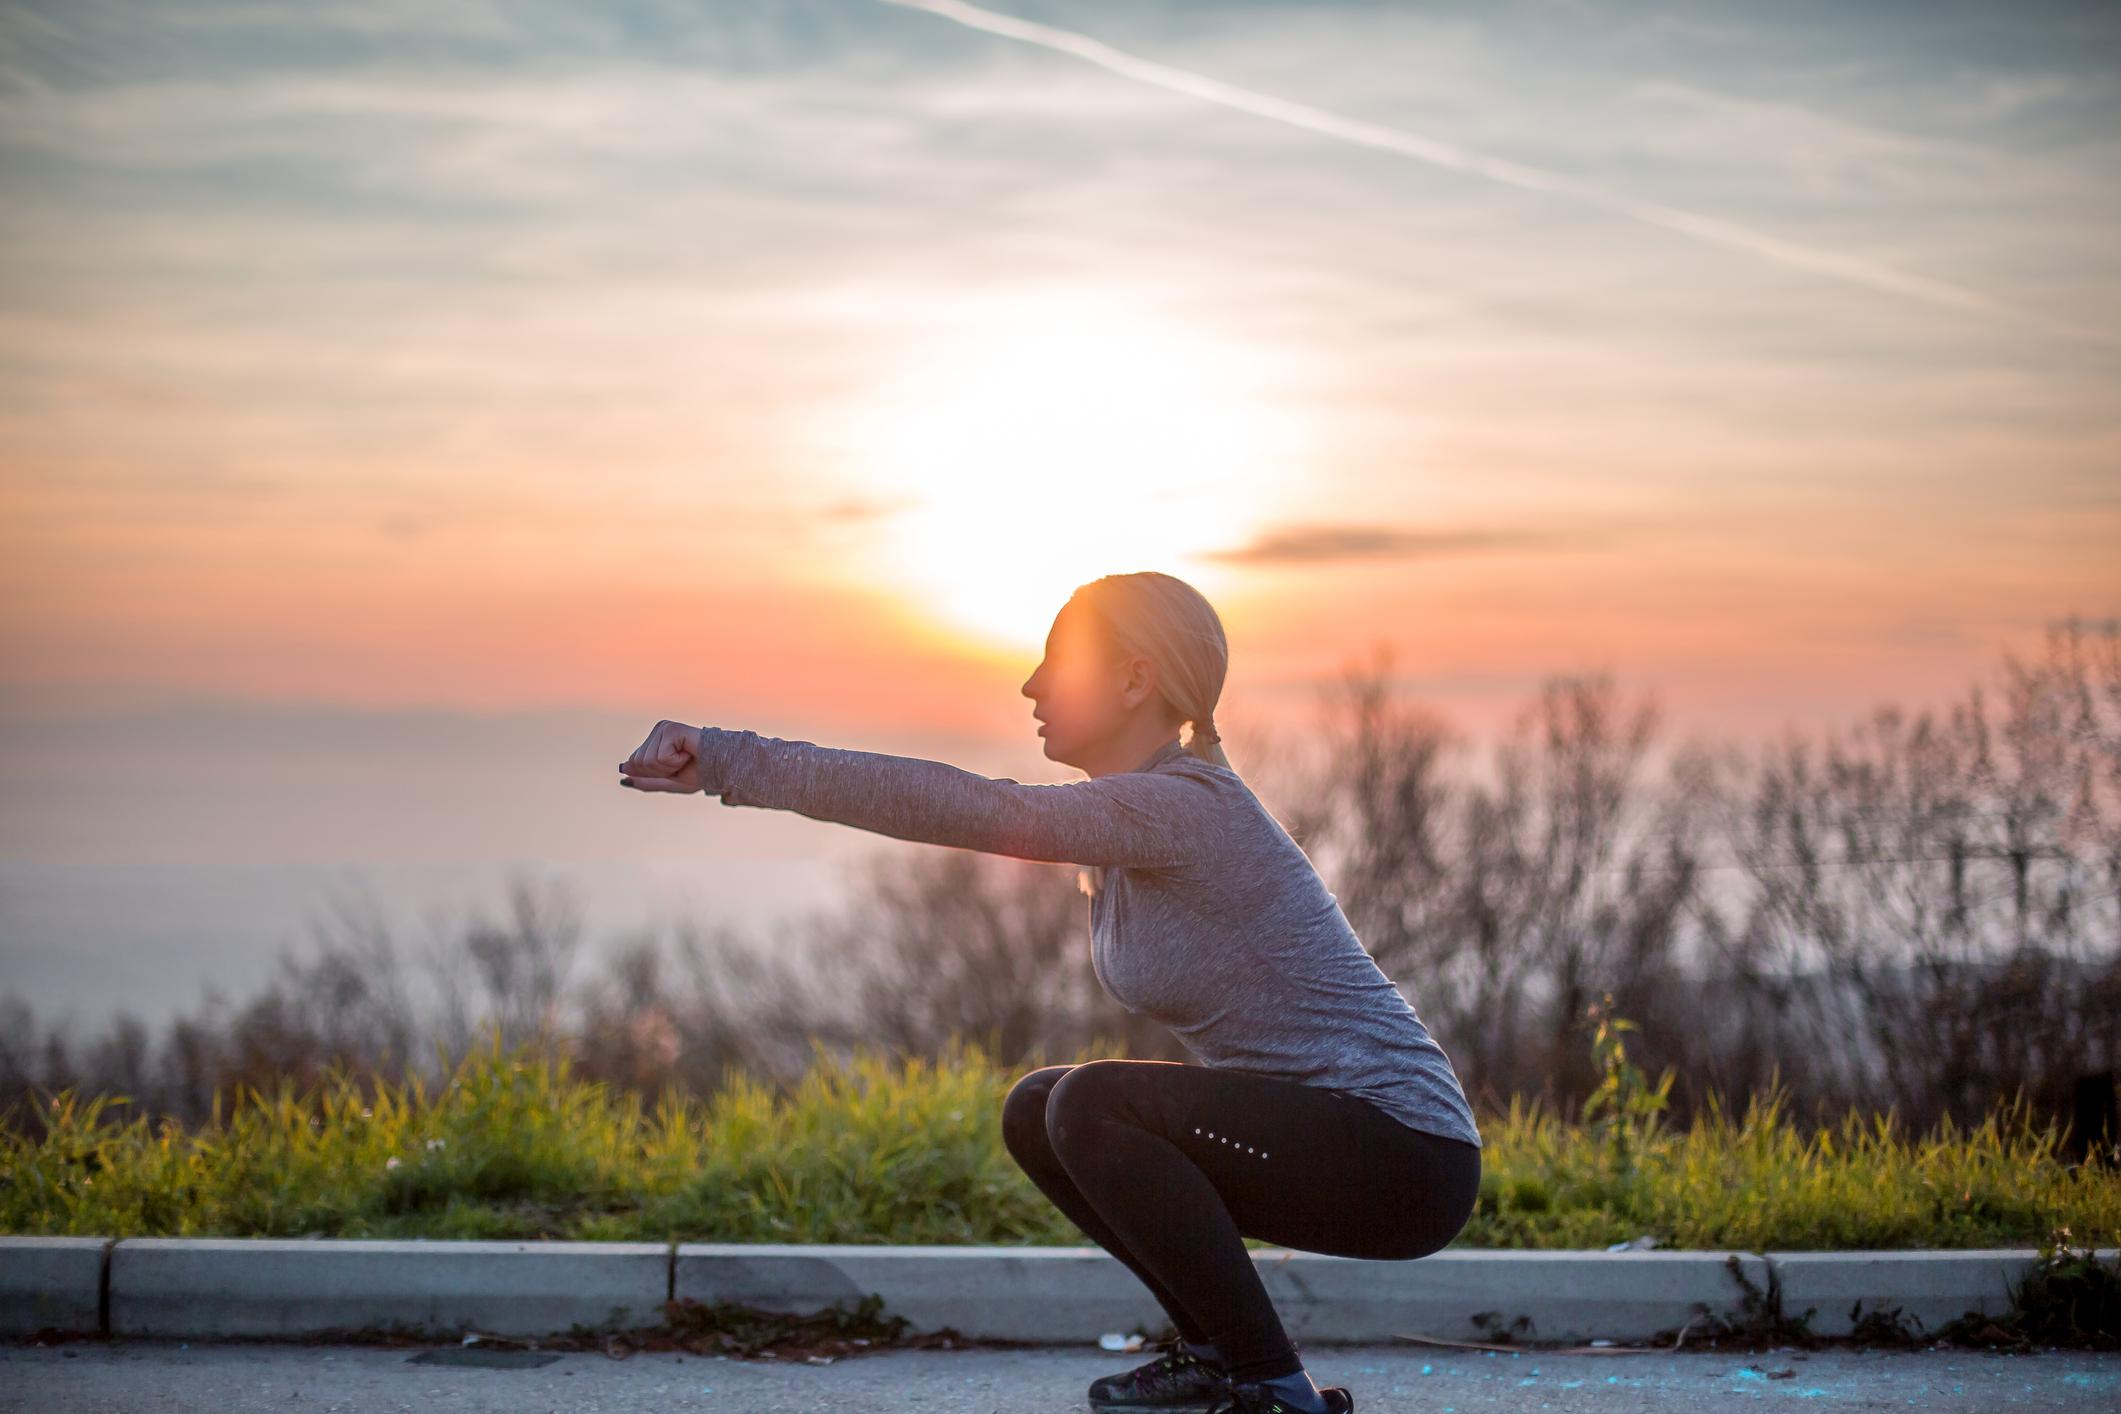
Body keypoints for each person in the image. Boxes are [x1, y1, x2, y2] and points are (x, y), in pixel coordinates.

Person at [618, 570, 1482, 1414]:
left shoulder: (1185, 807)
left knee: (1094, 1101)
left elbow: (962, 805)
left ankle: (1273, 1389)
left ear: (1136, 678)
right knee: (1039, 1106)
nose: (1031, 685)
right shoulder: (1136, 822)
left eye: (1056, 662)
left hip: (1403, 1156)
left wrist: (731, 759)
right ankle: (1218, 1359)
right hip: (1334, 1146)